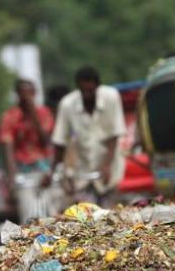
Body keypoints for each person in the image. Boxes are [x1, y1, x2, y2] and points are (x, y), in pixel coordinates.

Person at [46, 66, 126, 203]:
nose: (87, 94)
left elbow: (114, 134)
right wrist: (55, 171)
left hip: (110, 165)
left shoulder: (111, 97)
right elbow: (60, 142)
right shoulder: (67, 104)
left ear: (97, 87)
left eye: (90, 90)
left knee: (112, 212)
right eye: (83, 91)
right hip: (82, 171)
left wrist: (106, 166)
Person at [0, 78, 53, 180]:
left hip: (42, 163)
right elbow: (8, 147)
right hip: (21, 164)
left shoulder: (44, 113)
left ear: (34, 93)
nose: (26, 97)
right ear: (18, 94)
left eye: (30, 93)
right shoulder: (9, 116)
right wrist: (12, 175)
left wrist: (33, 114)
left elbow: (45, 141)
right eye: (23, 93)